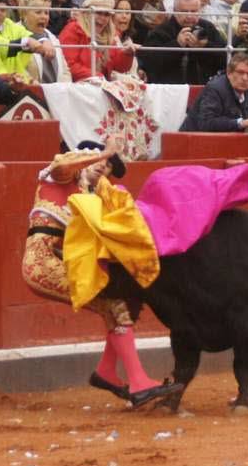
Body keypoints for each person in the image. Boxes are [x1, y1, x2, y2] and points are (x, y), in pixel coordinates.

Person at [22, 137, 184, 406]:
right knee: (114, 306)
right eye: (99, 160)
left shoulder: (92, 196)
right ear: (84, 158)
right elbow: (62, 164)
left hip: (64, 261)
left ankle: (107, 372)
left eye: (108, 165)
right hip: (42, 262)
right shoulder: (61, 177)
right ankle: (137, 382)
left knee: (122, 304)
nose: (103, 166)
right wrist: (104, 152)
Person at [180, 53, 248, 132]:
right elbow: (206, 123)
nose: (245, 78)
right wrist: (241, 123)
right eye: (240, 72)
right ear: (229, 72)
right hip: (191, 144)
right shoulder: (214, 89)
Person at [141, 0, 226, 84]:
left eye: (193, 11)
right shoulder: (161, 31)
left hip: (206, 86)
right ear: (174, 12)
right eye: (184, 11)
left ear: (200, 11)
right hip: (170, 87)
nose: (189, 16)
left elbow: (226, 60)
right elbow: (149, 64)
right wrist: (177, 45)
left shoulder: (208, 27)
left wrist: (205, 46)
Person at [19, 0, 71, 83]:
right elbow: (15, 70)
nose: (44, 17)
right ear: (24, 14)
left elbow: (65, 71)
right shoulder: (14, 35)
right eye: (38, 12)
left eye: (46, 13)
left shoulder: (52, 37)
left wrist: (65, 88)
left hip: (57, 90)